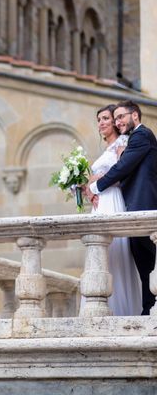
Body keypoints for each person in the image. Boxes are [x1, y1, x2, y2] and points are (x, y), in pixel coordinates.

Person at [86, 100, 157, 315]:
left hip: (143, 203)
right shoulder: (133, 138)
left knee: (149, 256)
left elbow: (123, 168)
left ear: (135, 115)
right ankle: (147, 308)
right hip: (132, 205)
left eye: (120, 117)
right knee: (142, 260)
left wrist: (96, 186)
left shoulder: (141, 135)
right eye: (115, 118)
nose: (118, 121)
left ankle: (149, 307)